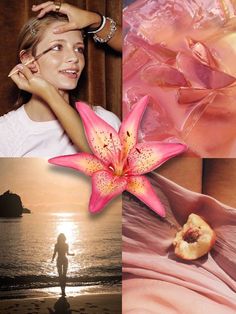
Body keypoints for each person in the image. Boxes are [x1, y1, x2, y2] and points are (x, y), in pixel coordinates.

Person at [0, 2, 121, 157]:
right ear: (28, 59)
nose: (74, 58)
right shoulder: (5, 134)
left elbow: (108, 163)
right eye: (57, 47)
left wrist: (49, 94)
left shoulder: (105, 121)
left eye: (79, 49)